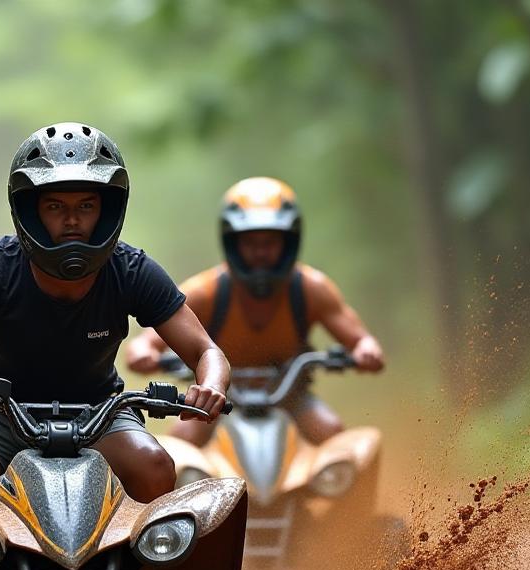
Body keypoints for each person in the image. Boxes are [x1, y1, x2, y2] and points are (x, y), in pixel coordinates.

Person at [0, 123, 230, 502]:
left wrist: (210, 385)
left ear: (107, 210)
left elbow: (207, 351)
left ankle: (146, 562)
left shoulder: (132, 270)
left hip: (100, 414)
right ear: (30, 210)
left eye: (86, 206)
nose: (73, 220)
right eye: (56, 206)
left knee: (155, 467)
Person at [125, 176, 383, 446]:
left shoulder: (311, 288)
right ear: (232, 243)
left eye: (270, 242)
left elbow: (360, 339)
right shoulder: (206, 291)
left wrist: (366, 349)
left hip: (290, 397)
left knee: (337, 442)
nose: (260, 252)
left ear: (289, 242)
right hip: (216, 400)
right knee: (177, 450)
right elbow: (146, 342)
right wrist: (145, 353)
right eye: (250, 243)